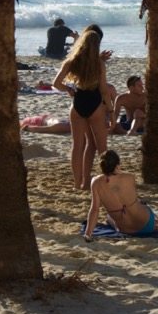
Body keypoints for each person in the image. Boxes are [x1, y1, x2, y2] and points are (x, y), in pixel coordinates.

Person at [52, 25, 111, 190]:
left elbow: (56, 83)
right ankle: (107, 181)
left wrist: (69, 89)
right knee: (102, 147)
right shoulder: (99, 64)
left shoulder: (72, 61)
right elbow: (104, 90)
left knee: (77, 145)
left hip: (78, 104)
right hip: (95, 105)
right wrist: (111, 112)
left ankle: (78, 183)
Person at [83, 150, 158, 240]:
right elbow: (132, 198)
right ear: (117, 165)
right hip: (146, 223)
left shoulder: (95, 182)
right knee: (143, 210)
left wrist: (88, 234)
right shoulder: (129, 177)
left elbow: (95, 209)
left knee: (109, 217)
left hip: (126, 230)